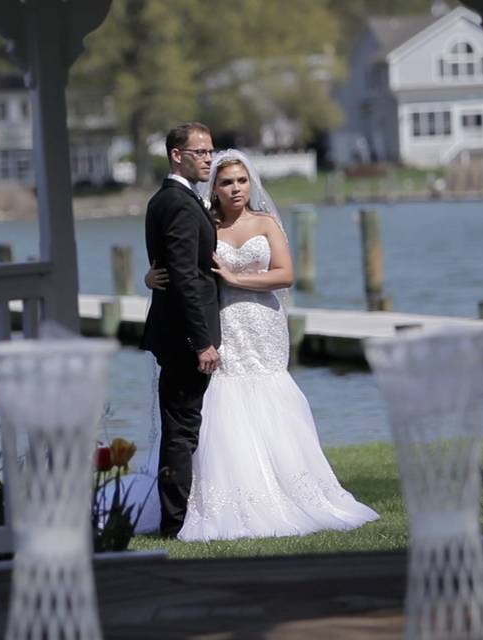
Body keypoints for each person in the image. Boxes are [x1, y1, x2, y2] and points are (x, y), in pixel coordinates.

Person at [144, 149, 380, 541]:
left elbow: (285, 274)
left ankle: (288, 487)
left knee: (270, 393)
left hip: (263, 322)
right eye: (225, 182)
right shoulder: (205, 224)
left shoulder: (266, 222)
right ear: (213, 189)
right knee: (225, 398)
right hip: (224, 323)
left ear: (250, 183)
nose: (235, 189)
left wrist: (238, 279)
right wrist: (151, 278)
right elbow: (185, 270)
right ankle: (225, 495)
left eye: (241, 181)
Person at [140, 122, 221, 538]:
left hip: (175, 333)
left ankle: (175, 516)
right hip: (184, 337)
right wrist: (201, 340)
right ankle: (175, 522)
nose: (209, 158)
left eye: (210, 151)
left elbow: (170, 269)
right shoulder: (177, 203)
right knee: (182, 429)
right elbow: (185, 277)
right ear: (177, 155)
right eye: (201, 152)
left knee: (180, 425)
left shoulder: (173, 199)